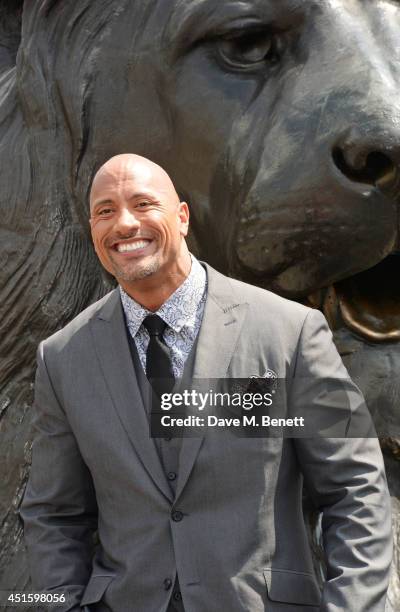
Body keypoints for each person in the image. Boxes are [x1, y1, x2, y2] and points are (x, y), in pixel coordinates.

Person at [20, 154, 392, 612]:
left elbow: (355, 489)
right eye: (105, 211)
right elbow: (54, 514)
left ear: (182, 217)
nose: (125, 223)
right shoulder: (62, 358)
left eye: (143, 203)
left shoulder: (290, 333)